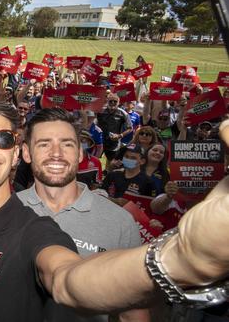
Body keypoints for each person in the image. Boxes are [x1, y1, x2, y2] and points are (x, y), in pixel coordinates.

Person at [0, 97, 229, 321]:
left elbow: (67, 279)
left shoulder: (36, 230)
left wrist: (176, 259)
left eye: (2, 140)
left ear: (15, 154)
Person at [17, 108, 148, 322]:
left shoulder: (119, 222)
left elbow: (133, 311)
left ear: (80, 153)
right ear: (26, 153)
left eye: (67, 144)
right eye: (44, 144)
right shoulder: (5, 212)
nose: (56, 153)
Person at [96, 93, 132, 167]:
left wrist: (120, 135)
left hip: (114, 142)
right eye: (110, 101)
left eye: (115, 101)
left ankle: (109, 176)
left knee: (112, 164)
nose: (112, 103)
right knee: (94, 160)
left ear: (118, 103)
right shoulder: (100, 111)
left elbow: (130, 128)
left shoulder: (123, 113)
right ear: (107, 101)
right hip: (99, 140)